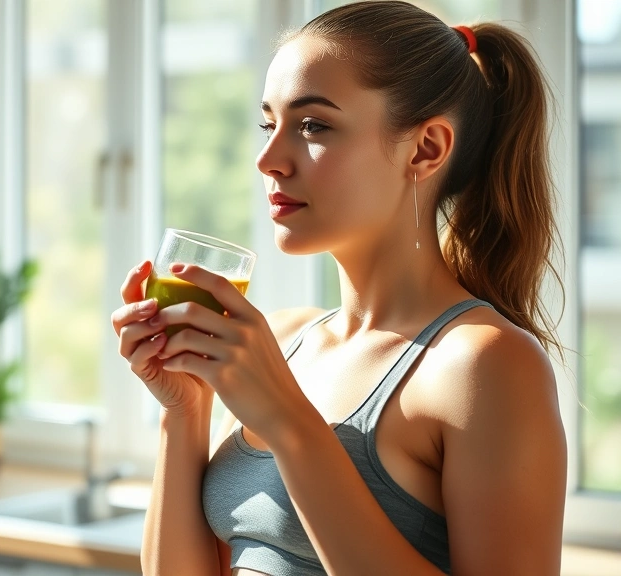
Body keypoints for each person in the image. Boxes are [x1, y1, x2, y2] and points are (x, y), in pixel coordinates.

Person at [110, 1, 568, 574]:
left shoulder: (484, 366)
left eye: (313, 125)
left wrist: (287, 421)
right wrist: (184, 411)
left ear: (426, 149)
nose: (268, 159)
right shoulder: (280, 340)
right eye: (268, 124)